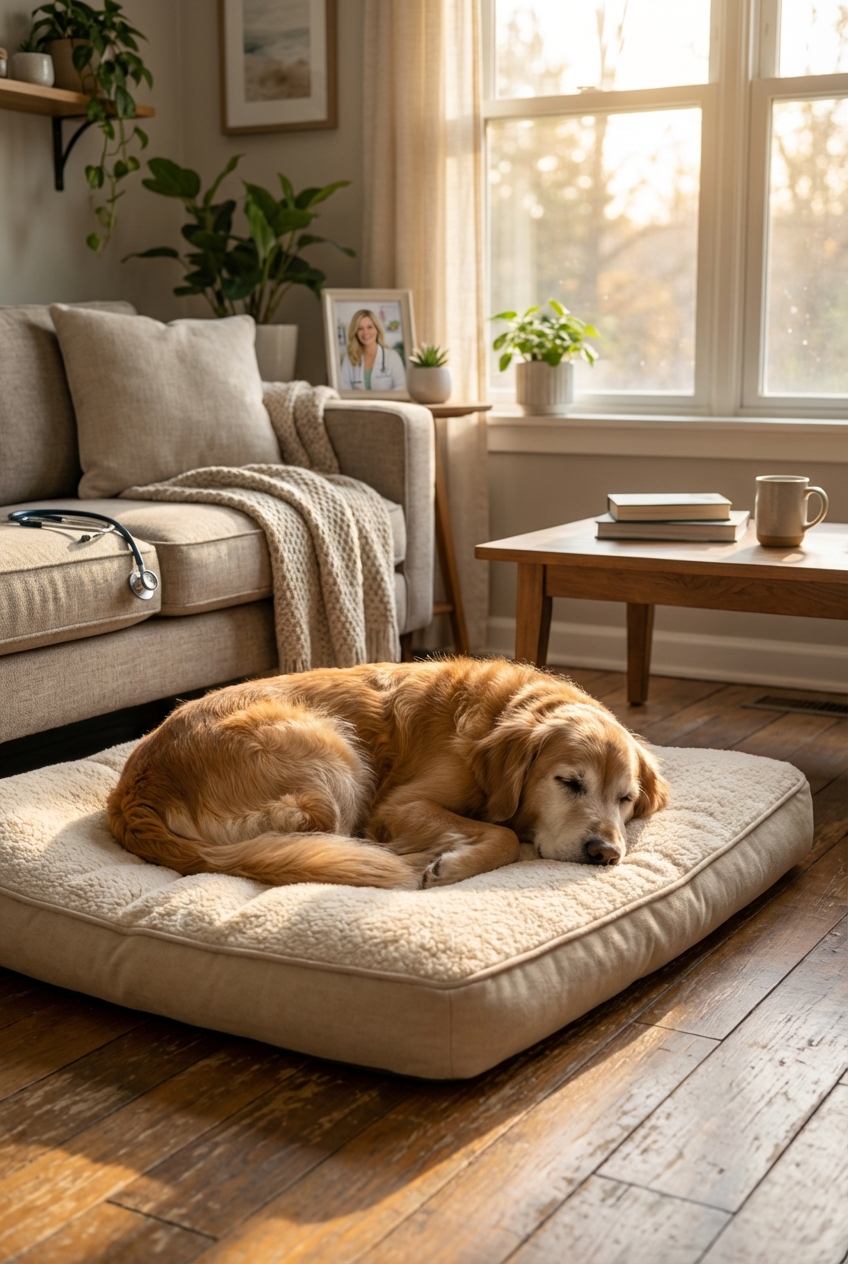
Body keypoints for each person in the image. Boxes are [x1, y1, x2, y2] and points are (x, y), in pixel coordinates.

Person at [339, 309, 407, 391]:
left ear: (377, 329)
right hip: (357, 404)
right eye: (360, 328)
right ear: (355, 332)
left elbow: (401, 388)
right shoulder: (348, 359)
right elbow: (344, 390)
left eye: (369, 327)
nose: (365, 332)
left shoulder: (392, 357)